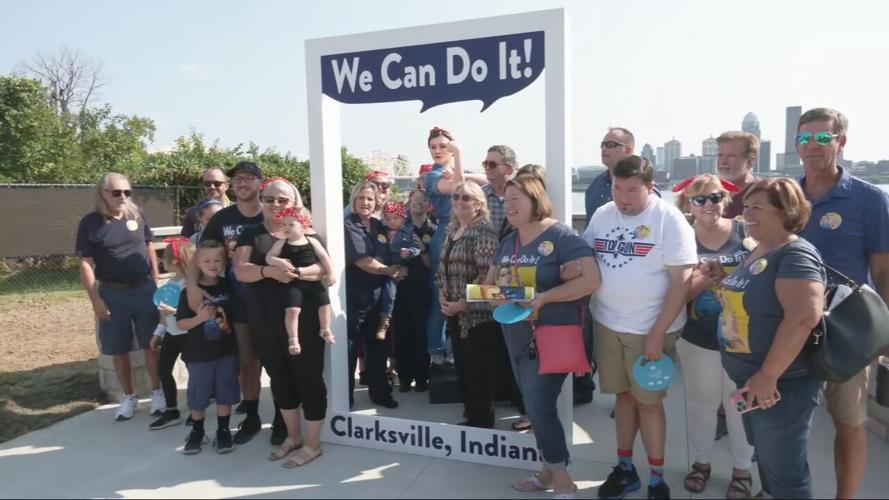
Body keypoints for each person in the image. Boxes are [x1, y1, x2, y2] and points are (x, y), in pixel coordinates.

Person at [583, 156, 696, 500]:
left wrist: (658, 332)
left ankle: (657, 479)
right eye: (618, 188)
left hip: (650, 329)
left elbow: (682, 282)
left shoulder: (669, 220)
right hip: (606, 322)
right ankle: (625, 468)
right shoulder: (603, 215)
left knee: (649, 403)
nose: (623, 197)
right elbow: (585, 256)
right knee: (623, 397)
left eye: (633, 190)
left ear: (650, 187)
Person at [795, 107, 889, 499]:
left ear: (841, 142)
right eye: (804, 138)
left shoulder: (870, 200)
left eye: (822, 138)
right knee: (784, 419)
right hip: (790, 324)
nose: (812, 146)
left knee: (848, 421)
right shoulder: (788, 195)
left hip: (846, 329)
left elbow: (883, 272)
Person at [712, 178, 826, 499]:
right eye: (745, 206)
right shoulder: (760, 249)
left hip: (781, 385)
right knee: (767, 458)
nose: (746, 212)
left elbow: (804, 317)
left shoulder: (795, 254)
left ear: (784, 211)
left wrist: (768, 375)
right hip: (753, 381)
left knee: (786, 470)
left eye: (756, 207)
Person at [487, 175, 599, 498]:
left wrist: (544, 299)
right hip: (515, 335)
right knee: (534, 407)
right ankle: (548, 472)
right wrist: (498, 296)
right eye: (505, 201)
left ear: (535, 199)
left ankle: (563, 481)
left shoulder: (562, 236)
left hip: (551, 337)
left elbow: (591, 280)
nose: (509, 206)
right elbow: (490, 286)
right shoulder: (509, 241)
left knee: (539, 409)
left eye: (515, 199)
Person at [235, 178, 332, 467]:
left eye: (283, 200)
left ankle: (313, 444)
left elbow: (323, 270)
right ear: (261, 200)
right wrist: (268, 270)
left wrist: (293, 272)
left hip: (304, 322)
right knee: (279, 380)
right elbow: (241, 271)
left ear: (294, 204)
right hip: (264, 319)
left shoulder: (308, 233)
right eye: (269, 199)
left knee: (309, 380)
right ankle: (294, 436)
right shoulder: (251, 234)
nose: (275, 205)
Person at [672, 174, 755, 498]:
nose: (709, 205)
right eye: (700, 199)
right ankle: (701, 463)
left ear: (727, 199)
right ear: (687, 204)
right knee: (700, 404)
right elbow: (677, 292)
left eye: (715, 197)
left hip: (743, 339)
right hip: (697, 337)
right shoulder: (681, 238)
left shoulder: (747, 232)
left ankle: (742, 470)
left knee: (739, 407)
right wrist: (705, 279)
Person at [199, 161, 277, 445]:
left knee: (277, 361)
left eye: (248, 178)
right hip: (238, 301)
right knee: (247, 362)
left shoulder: (272, 214)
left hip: (273, 301)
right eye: (237, 180)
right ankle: (253, 415)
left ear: (260, 182)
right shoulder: (222, 219)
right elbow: (204, 255)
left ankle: (282, 416)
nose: (242, 184)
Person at [75, 172, 162, 421]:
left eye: (126, 192)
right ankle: (129, 397)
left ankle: (157, 393)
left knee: (152, 344)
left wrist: (155, 281)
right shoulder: (90, 223)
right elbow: (86, 264)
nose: (122, 197)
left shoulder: (137, 215)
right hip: (112, 293)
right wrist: (96, 300)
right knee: (118, 348)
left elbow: (149, 246)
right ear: (102, 194)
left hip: (144, 290)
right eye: (116, 192)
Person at [435, 181, 502, 428]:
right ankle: (471, 416)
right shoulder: (453, 229)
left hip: (478, 315)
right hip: (453, 311)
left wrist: (463, 303)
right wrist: (442, 292)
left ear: (479, 203)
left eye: (466, 197)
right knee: (463, 369)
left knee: (479, 375)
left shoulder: (483, 231)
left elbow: (486, 276)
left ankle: (482, 424)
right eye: (456, 196)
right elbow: (442, 267)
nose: (459, 201)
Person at [424, 127, 488, 366]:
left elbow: (483, 180)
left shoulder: (455, 172)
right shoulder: (432, 176)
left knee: (466, 289)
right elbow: (459, 187)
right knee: (440, 292)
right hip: (445, 232)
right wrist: (458, 154)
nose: (438, 151)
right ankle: (436, 349)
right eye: (434, 147)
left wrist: (460, 169)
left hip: (468, 231)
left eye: (444, 146)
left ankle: (455, 346)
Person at [344, 181, 405, 409]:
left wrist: (401, 265)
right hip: (355, 297)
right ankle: (345, 396)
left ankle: (380, 392)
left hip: (379, 296)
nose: (366, 202)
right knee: (351, 347)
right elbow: (362, 260)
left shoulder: (379, 226)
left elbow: (391, 253)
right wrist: (390, 271)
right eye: (361, 198)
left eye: (370, 198)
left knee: (378, 345)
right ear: (354, 200)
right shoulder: (348, 225)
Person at [177, 240, 239, 455]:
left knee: (225, 393)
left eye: (217, 260)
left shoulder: (228, 286)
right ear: (197, 263)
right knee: (199, 395)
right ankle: (197, 431)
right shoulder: (190, 291)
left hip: (226, 351)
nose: (212, 264)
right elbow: (181, 323)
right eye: (206, 260)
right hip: (199, 354)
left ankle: (223, 431)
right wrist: (200, 318)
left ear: (224, 262)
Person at [265, 207, 335, 354]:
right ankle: (293, 339)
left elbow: (324, 258)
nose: (286, 227)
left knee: (324, 304)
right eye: (284, 224)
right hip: (292, 283)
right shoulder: (281, 243)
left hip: (313, 281)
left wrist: (330, 273)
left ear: (303, 226)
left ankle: (325, 329)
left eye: (291, 224)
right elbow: (269, 257)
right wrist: (279, 262)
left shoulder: (312, 241)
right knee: (292, 310)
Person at [149, 237, 195, 430]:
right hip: (171, 335)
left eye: (164, 258)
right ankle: (171, 410)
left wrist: (174, 312)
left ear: (174, 261)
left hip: (189, 334)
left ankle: (196, 409)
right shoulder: (168, 285)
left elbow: (194, 310)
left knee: (194, 371)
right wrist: (157, 334)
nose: (161, 262)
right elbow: (163, 315)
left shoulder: (190, 284)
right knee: (163, 370)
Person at [393, 190, 437, 392]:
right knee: (402, 334)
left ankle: (422, 378)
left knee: (421, 334)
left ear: (429, 205)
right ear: (409, 204)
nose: (418, 203)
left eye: (423, 200)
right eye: (415, 200)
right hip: (401, 290)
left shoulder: (435, 230)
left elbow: (432, 265)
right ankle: (404, 377)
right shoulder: (402, 229)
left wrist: (423, 249)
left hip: (424, 290)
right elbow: (392, 258)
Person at [377, 200, 422, 340]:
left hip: (398, 267)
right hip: (383, 266)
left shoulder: (409, 231)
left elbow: (417, 248)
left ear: (404, 217)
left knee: (390, 291)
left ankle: (385, 319)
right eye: (388, 218)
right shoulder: (382, 229)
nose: (391, 222)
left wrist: (409, 252)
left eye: (395, 218)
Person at [584, 127, 635, 227]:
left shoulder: (644, 186)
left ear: (628, 150)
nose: (604, 149)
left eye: (610, 145)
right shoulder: (595, 186)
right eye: (602, 145)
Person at [716, 131, 761, 219]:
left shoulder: (763, 192)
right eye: (720, 155)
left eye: (731, 156)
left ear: (750, 161)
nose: (723, 162)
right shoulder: (708, 191)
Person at [181, 167, 231, 238]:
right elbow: (185, 243)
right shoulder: (193, 213)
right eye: (207, 183)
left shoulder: (237, 210)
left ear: (226, 185)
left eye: (217, 183)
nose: (212, 187)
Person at [482, 145, 516, 236]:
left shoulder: (521, 197)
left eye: (492, 164)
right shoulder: (478, 196)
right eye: (485, 164)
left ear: (508, 169)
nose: (487, 167)